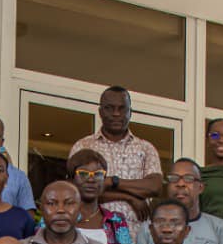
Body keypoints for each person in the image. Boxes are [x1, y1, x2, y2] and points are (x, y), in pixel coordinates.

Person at [69, 86, 164, 219]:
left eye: (122, 108)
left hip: (135, 235)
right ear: (100, 112)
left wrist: (112, 182)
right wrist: (128, 197)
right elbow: (77, 191)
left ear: (130, 112)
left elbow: (155, 187)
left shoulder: (146, 148)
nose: (116, 113)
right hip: (94, 231)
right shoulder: (83, 146)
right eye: (109, 108)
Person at [139, 159, 223, 244]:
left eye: (189, 178)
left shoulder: (218, 227)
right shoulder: (149, 229)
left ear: (201, 187)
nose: (180, 183)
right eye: (174, 178)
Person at [69, 148, 136, 244]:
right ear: (72, 179)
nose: (91, 180)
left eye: (98, 174)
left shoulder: (116, 220)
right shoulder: (57, 216)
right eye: (83, 173)